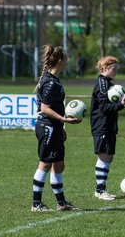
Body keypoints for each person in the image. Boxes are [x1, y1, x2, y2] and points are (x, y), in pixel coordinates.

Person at [31, 45, 81, 211]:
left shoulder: (54, 80)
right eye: (66, 60)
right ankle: (36, 204)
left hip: (55, 127)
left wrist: (61, 126)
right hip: (48, 127)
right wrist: (63, 119)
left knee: (59, 165)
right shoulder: (50, 82)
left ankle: (61, 203)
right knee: (45, 164)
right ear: (59, 61)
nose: (67, 63)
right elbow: (45, 108)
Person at [90, 56, 125, 200]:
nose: (116, 71)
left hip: (109, 125)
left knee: (108, 156)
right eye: (114, 68)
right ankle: (100, 190)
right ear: (105, 68)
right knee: (104, 155)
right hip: (102, 125)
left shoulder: (107, 83)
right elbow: (104, 106)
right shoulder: (102, 83)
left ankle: (101, 189)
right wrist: (121, 105)